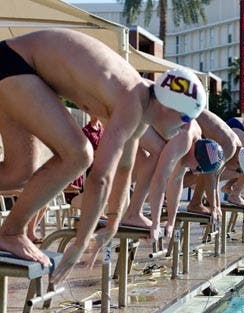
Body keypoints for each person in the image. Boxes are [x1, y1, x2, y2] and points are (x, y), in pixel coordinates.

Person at [0, 28, 205, 283]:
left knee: (19, 171)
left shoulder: (141, 109)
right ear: (166, 106)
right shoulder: (132, 101)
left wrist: (112, 224)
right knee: (78, 154)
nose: (185, 127)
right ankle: (11, 232)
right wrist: (80, 243)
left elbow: (123, 169)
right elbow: (100, 178)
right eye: (185, 118)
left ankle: (11, 231)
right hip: (16, 63)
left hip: (14, 63)